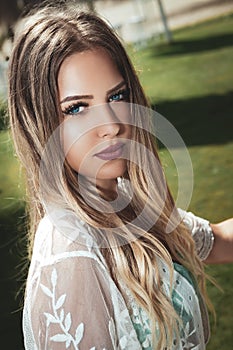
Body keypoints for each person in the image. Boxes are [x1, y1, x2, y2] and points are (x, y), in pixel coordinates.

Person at [8, 3, 233, 350]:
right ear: (40, 124)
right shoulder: (71, 252)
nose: (112, 125)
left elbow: (216, 240)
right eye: (77, 108)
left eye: (117, 96)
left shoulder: (125, 198)